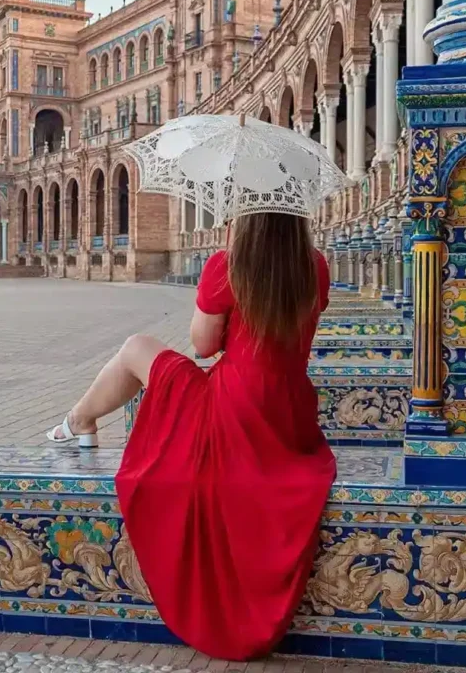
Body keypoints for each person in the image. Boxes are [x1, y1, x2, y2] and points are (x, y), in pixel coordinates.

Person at [46, 211, 336, 660]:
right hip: (290, 412)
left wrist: (228, 254)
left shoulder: (229, 265)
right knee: (146, 357)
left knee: (136, 348)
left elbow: (202, 346)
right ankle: (79, 420)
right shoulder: (314, 263)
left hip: (232, 410)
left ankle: (80, 420)